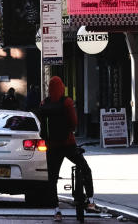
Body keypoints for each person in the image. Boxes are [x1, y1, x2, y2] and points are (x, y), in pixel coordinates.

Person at [39, 75, 95, 223]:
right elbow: (74, 123)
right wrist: (68, 131)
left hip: (52, 146)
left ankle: (56, 211)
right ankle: (90, 200)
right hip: (68, 144)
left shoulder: (44, 103)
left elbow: (42, 128)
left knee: (52, 179)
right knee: (85, 168)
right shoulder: (67, 102)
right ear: (62, 88)